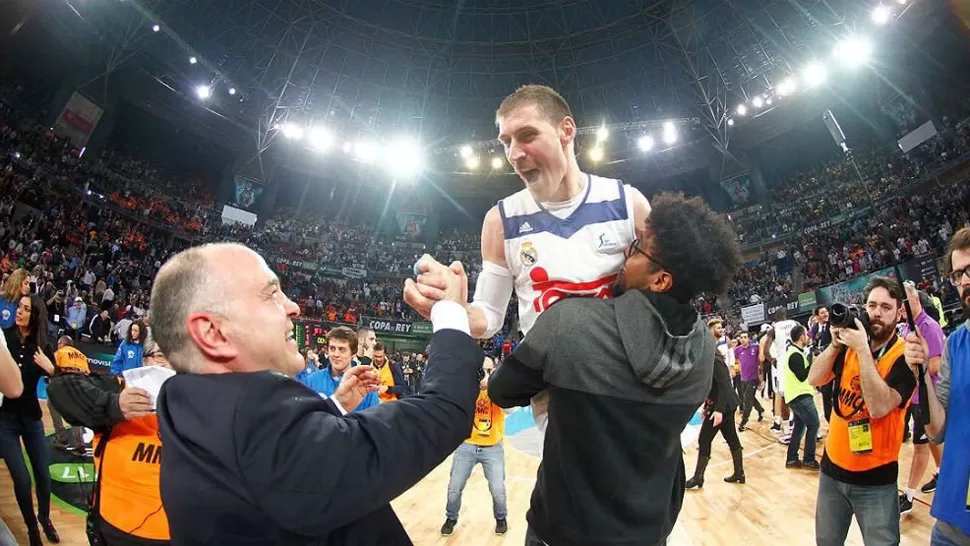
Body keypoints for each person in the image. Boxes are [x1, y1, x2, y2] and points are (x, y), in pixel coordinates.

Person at [151, 243, 484, 545]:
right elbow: (443, 411)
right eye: (271, 295)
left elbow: (281, 471)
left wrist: (335, 406)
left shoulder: (184, 406)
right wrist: (450, 312)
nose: (293, 307)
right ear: (213, 333)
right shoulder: (255, 418)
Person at [404, 84, 652, 454]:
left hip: (630, 391)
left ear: (567, 130)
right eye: (505, 142)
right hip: (559, 400)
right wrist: (451, 308)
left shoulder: (627, 205)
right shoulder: (501, 221)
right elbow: (488, 318)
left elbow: (659, 302)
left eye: (527, 135)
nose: (514, 153)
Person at [487, 193, 741, 545]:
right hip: (649, 532)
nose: (626, 254)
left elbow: (502, 391)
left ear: (660, 280)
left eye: (638, 249)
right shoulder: (705, 351)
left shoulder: (569, 324)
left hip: (562, 532)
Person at [808, 276, 916, 546]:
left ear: (899, 312)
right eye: (872, 305)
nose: (877, 313)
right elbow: (814, 378)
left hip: (876, 481)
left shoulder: (905, 356)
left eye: (886, 307)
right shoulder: (848, 346)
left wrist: (863, 349)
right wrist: (835, 344)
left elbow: (879, 407)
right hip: (832, 472)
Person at [47, 340, 172, 545]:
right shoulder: (122, 388)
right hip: (114, 528)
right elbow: (61, 388)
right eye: (160, 355)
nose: (168, 364)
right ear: (145, 360)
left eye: (175, 357)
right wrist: (113, 406)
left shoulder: (197, 400)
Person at [903, 226, 970, 544]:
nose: (965, 281)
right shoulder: (957, 344)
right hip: (953, 518)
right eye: (959, 275)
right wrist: (919, 374)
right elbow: (936, 430)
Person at [0, 294, 59, 546]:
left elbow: (59, 386)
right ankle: (32, 528)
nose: (19, 312)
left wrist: (52, 369)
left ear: (35, 316)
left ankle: (45, 518)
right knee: (22, 479)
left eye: (25, 309)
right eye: (19, 307)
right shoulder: (5, 337)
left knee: (43, 476)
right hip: (5, 421)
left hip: (33, 419)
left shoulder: (43, 346)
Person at [441, 356, 508, 537]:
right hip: (467, 444)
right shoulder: (466, 390)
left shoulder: (499, 390)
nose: (484, 375)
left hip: (492, 447)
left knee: (498, 490)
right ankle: (451, 517)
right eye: (481, 371)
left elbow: (510, 408)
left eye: (489, 371)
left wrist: (494, 387)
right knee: (454, 487)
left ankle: (501, 517)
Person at [897, 285, 946, 515]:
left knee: (922, 446)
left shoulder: (929, 327)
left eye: (905, 300)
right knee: (929, 443)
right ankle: (941, 474)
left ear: (915, 299)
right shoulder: (907, 327)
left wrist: (915, 366)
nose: (902, 306)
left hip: (931, 397)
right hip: (916, 397)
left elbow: (937, 365)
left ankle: (909, 495)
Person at [685, 318, 745, 489]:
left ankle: (698, 477)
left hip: (724, 405)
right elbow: (712, 385)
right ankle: (739, 473)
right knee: (731, 437)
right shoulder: (708, 355)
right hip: (723, 403)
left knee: (704, 439)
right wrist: (707, 406)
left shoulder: (713, 357)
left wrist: (717, 410)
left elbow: (725, 384)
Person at [304, 327, 380, 412]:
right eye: (332, 348)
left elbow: (373, 421)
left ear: (353, 353)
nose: (336, 354)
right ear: (327, 351)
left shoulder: (366, 384)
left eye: (342, 349)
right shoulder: (312, 380)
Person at [783, 324, 820, 471]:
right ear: (801, 337)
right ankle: (809, 459)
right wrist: (811, 358)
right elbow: (802, 376)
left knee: (799, 427)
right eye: (806, 334)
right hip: (800, 395)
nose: (808, 337)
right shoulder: (795, 354)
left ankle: (791, 459)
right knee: (814, 424)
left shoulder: (795, 352)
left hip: (796, 395)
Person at [735, 331, 764, 431]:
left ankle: (744, 422)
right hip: (743, 378)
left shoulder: (755, 348)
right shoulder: (737, 350)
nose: (743, 339)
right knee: (749, 397)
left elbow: (761, 361)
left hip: (753, 378)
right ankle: (760, 409)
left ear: (748, 338)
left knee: (747, 400)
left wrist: (761, 376)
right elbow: (734, 361)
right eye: (741, 337)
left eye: (745, 337)